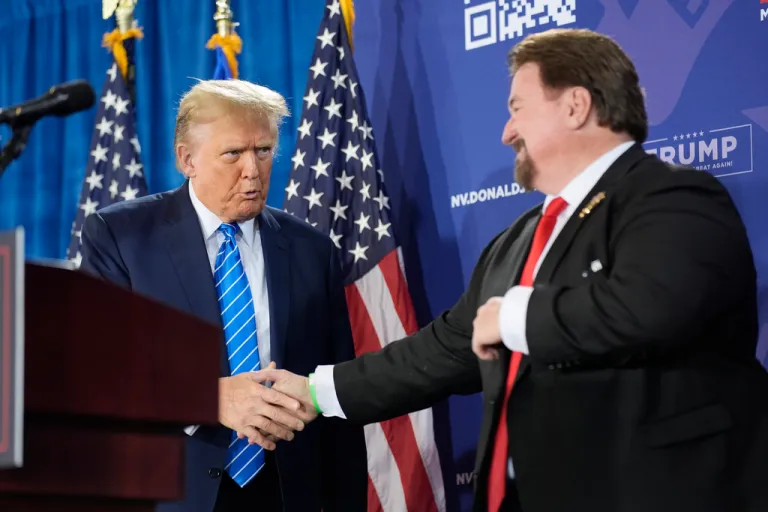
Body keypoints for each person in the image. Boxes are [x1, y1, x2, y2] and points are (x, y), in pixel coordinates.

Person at [258, 28, 768, 512]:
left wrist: (516, 315)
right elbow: (444, 350)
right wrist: (316, 392)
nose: (506, 133)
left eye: (518, 109)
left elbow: (651, 308)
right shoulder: (520, 238)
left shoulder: (671, 195)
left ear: (575, 106)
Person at [79, 79, 367, 512]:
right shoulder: (122, 237)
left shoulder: (312, 250)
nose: (252, 170)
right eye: (233, 153)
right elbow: (97, 371)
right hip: (170, 492)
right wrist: (209, 398)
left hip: (288, 492)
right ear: (186, 159)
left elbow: (337, 397)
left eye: (264, 150)